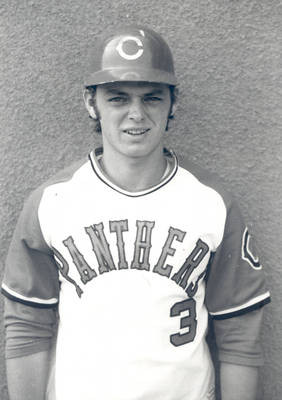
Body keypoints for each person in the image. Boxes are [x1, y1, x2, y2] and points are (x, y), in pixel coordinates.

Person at [2, 26, 270, 400]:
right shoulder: (53, 202)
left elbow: (240, 334)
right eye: (117, 98)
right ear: (90, 102)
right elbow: (27, 326)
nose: (136, 114)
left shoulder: (211, 202)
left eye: (152, 98)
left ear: (173, 103)